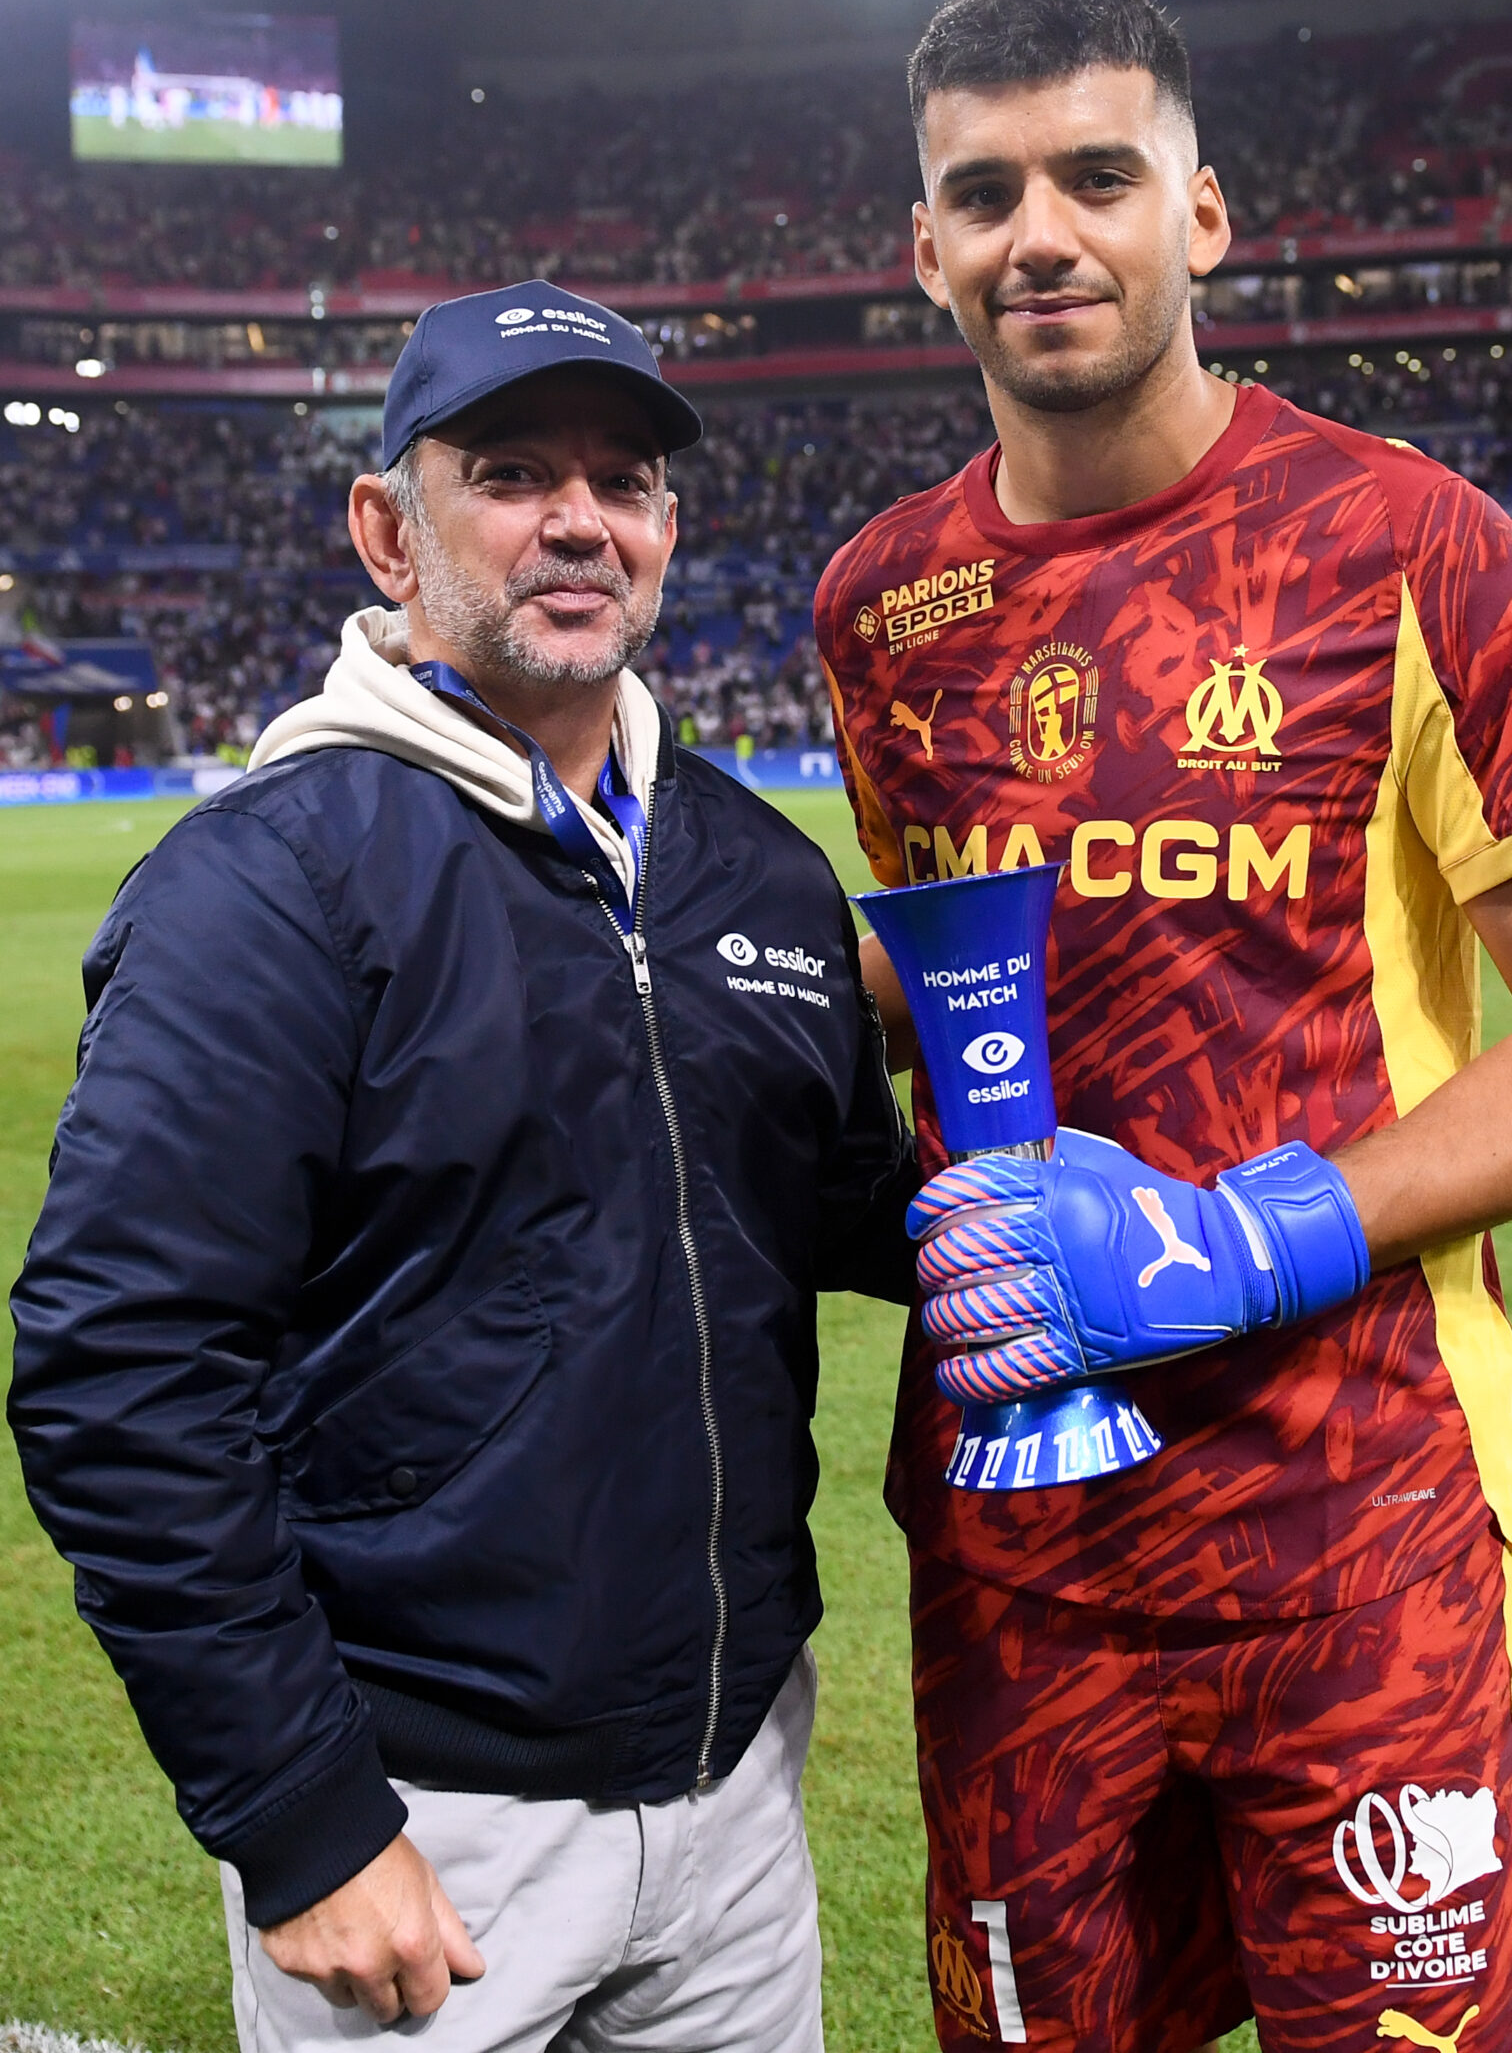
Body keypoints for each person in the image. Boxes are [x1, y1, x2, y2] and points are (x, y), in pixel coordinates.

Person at [814, 0, 1512, 2053]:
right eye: (987, 190)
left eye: (1096, 175)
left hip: (1351, 1525)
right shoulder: (880, 607)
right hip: (1019, 1541)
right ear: (923, 247)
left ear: (1197, 216)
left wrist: (1232, 1233)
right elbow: (955, 974)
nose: (1043, 232)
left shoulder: (1411, 549)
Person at [10, 277, 914, 2053]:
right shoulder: (270, 881)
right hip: (426, 1823)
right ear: (388, 527)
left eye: (628, 481)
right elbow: (118, 1374)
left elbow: (804, 1197)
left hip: (732, 1793)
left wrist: (1046, 1210)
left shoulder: (752, 867)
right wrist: (302, 1822)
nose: (581, 518)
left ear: (668, 529)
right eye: (511, 470)